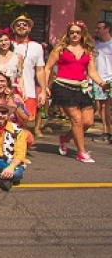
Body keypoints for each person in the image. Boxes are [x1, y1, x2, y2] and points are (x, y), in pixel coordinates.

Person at [45, 21, 110, 163]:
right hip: (63, 87)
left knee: (88, 121)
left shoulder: (88, 51)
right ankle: (82, 152)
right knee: (76, 120)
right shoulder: (60, 49)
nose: (75, 35)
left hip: (82, 88)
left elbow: (92, 71)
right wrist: (45, 86)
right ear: (68, 34)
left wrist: (102, 84)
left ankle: (66, 138)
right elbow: (48, 67)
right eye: (72, 32)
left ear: (82, 34)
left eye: (77, 32)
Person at [11, 14, 47, 128]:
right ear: (14, 28)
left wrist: (43, 90)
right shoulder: (7, 44)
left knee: (24, 125)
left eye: (25, 25)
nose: (21, 26)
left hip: (29, 91)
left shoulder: (36, 47)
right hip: (9, 90)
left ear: (29, 28)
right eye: (18, 25)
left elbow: (40, 70)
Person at [94, 21, 112, 143]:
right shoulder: (96, 45)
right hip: (100, 79)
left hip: (111, 78)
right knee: (102, 107)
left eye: (100, 28)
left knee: (108, 106)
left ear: (107, 29)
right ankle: (106, 132)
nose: (98, 30)